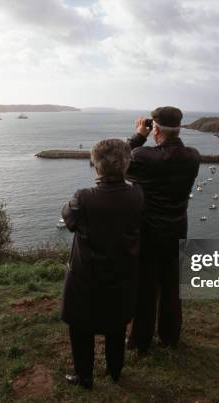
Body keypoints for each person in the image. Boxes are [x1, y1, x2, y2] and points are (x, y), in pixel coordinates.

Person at [61, 138, 144, 389]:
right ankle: (115, 371)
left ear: (95, 167)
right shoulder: (137, 194)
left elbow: (68, 219)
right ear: (126, 165)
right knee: (117, 325)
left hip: (86, 276)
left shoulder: (83, 197)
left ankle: (84, 376)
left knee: (80, 328)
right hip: (122, 274)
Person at [126, 106, 201, 353]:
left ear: (155, 129)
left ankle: (140, 341)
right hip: (178, 228)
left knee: (145, 289)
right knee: (172, 287)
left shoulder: (142, 156)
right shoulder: (193, 156)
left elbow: (118, 162)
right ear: (179, 128)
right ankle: (170, 337)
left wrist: (139, 136)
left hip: (148, 232)